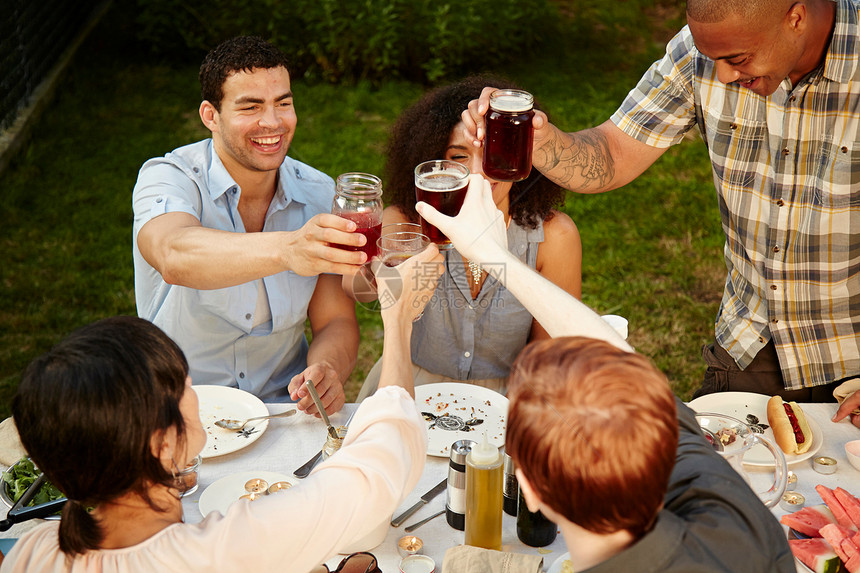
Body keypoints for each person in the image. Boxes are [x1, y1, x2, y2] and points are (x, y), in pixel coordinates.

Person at [462, 0, 860, 402]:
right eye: (713, 59)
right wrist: (541, 141)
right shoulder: (700, 51)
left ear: (795, 17)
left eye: (736, 59)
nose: (720, 75)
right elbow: (611, 154)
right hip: (750, 345)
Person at [418, 176, 795, 573]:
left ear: (529, 487)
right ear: (659, 448)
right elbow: (617, 354)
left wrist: (487, 254)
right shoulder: (735, 516)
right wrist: (495, 254)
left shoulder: (726, 504)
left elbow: (619, 357)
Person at [0, 244, 443, 573]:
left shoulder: (32, 551)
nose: (193, 385)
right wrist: (398, 318)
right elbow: (375, 471)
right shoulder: (220, 553)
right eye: (183, 385)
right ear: (163, 444)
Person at [133, 36, 363, 414]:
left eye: (283, 104)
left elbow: (335, 320)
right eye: (250, 106)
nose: (272, 122)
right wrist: (288, 250)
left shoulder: (320, 192)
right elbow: (173, 253)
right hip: (181, 410)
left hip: (283, 409)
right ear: (210, 115)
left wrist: (328, 369)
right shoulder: (168, 176)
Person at [357, 76, 581, 399]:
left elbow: (549, 359)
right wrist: (370, 274)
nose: (477, 173)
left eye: (493, 153)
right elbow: (363, 291)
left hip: (513, 397)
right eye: (458, 157)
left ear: (519, 157)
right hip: (413, 388)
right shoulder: (407, 223)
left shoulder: (555, 238)